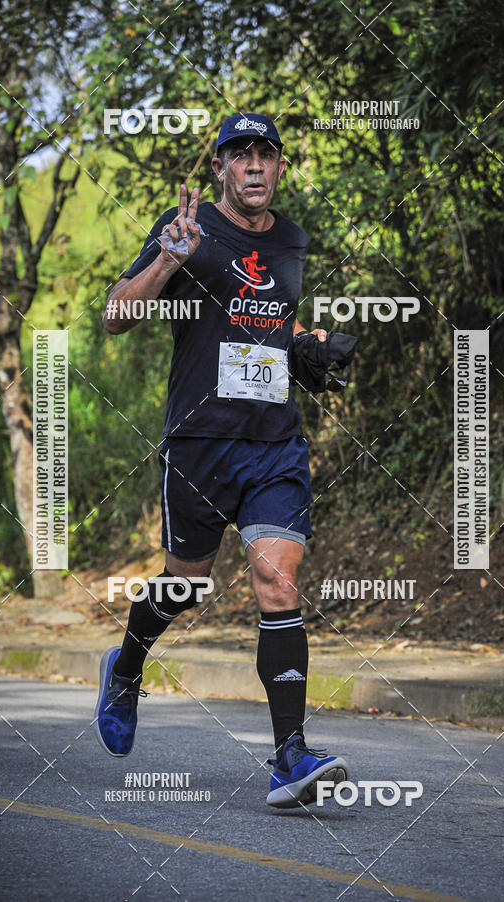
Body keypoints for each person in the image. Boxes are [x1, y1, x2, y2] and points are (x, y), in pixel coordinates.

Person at [94, 112, 349, 808]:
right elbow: (116, 315)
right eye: (241, 155)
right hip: (200, 445)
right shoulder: (187, 231)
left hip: (274, 443)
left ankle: (289, 759)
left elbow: (271, 322)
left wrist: (308, 348)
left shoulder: (294, 240)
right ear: (220, 170)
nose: (256, 166)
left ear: (282, 169)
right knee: (187, 586)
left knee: (276, 581)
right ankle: (126, 666)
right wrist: (169, 259)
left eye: (267, 154)